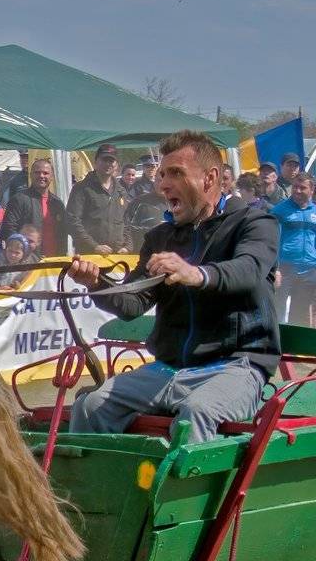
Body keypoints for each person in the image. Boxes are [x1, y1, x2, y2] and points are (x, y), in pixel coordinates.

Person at [68, 130, 279, 444]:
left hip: (235, 367)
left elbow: (249, 270)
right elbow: (133, 303)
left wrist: (196, 274)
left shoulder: (254, 223)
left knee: (197, 412)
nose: (163, 184)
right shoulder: (160, 237)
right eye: (163, 174)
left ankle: (187, 479)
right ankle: (93, 477)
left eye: (176, 173)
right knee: (91, 406)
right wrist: (97, 283)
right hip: (167, 369)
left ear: (210, 178)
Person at [270, 172, 316, 327]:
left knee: (300, 315)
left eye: (302, 188)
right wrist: (275, 268)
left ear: (312, 190)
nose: (297, 191)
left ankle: (295, 342)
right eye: (295, 187)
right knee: (278, 312)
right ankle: (278, 341)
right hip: (284, 269)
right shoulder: (279, 210)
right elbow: (272, 242)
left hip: (309, 271)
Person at [65, 143, 128, 254]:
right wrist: (94, 246)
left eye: (111, 161)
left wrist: (127, 246)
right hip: (90, 255)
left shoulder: (121, 191)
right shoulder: (82, 188)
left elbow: (127, 222)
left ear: (116, 165)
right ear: (96, 162)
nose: (108, 164)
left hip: (117, 254)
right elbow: (72, 221)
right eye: (104, 160)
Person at [2, 157, 67, 255]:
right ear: (31, 175)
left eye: (45, 173)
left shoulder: (57, 203)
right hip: (28, 260)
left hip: (54, 259)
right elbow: (9, 229)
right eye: (37, 172)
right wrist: (20, 254)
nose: (41, 176)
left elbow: (62, 234)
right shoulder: (19, 199)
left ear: (52, 177)